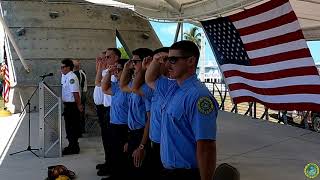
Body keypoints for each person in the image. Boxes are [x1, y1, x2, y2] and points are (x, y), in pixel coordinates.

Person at [146, 41, 218, 180]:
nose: (167, 65)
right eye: (166, 60)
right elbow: (149, 79)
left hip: (186, 173)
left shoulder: (198, 96)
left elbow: (206, 147)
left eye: (173, 60)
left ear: (191, 61)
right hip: (168, 169)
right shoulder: (172, 88)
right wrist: (155, 60)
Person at [134, 47, 172, 178]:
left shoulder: (167, 84)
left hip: (165, 144)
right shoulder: (158, 84)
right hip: (154, 141)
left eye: (162, 60)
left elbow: (139, 85)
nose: (156, 64)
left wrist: (141, 146)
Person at [120, 48, 153, 180]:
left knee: (140, 171)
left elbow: (149, 120)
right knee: (132, 170)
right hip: (133, 133)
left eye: (135, 62)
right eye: (131, 61)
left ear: (145, 61)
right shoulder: (137, 85)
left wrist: (141, 146)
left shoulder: (146, 87)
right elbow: (123, 86)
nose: (132, 64)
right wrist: (126, 69)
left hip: (142, 134)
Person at [101, 59, 130, 180]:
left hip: (125, 126)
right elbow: (104, 88)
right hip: (114, 124)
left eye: (119, 70)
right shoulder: (118, 87)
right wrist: (109, 72)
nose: (116, 72)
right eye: (116, 70)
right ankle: (115, 174)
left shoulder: (130, 88)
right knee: (115, 153)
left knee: (123, 156)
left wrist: (130, 135)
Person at [95, 48, 121, 176]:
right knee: (106, 140)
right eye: (104, 57)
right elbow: (97, 82)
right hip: (105, 109)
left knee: (113, 142)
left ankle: (113, 167)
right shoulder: (107, 71)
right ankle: (108, 162)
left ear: (116, 57)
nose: (105, 59)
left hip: (113, 110)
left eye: (108, 57)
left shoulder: (119, 71)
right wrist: (100, 66)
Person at [60, 58, 83, 155]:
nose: (61, 69)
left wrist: (79, 105)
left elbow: (75, 93)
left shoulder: (72, 77)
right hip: (67, 105)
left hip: (72, 105)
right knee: (68, 127)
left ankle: (74, 147)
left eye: (63, 67)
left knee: (72, 127)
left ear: (68, 67)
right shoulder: (65, 76)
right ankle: (71, 145)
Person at [73, 59, 88, 135]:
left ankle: (80, 131)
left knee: (80, 114)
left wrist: (81, 100)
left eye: (77, 62)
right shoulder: (71, 74)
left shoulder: (81, 73)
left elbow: (83, 87)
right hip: (73, 98)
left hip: (79, 97)